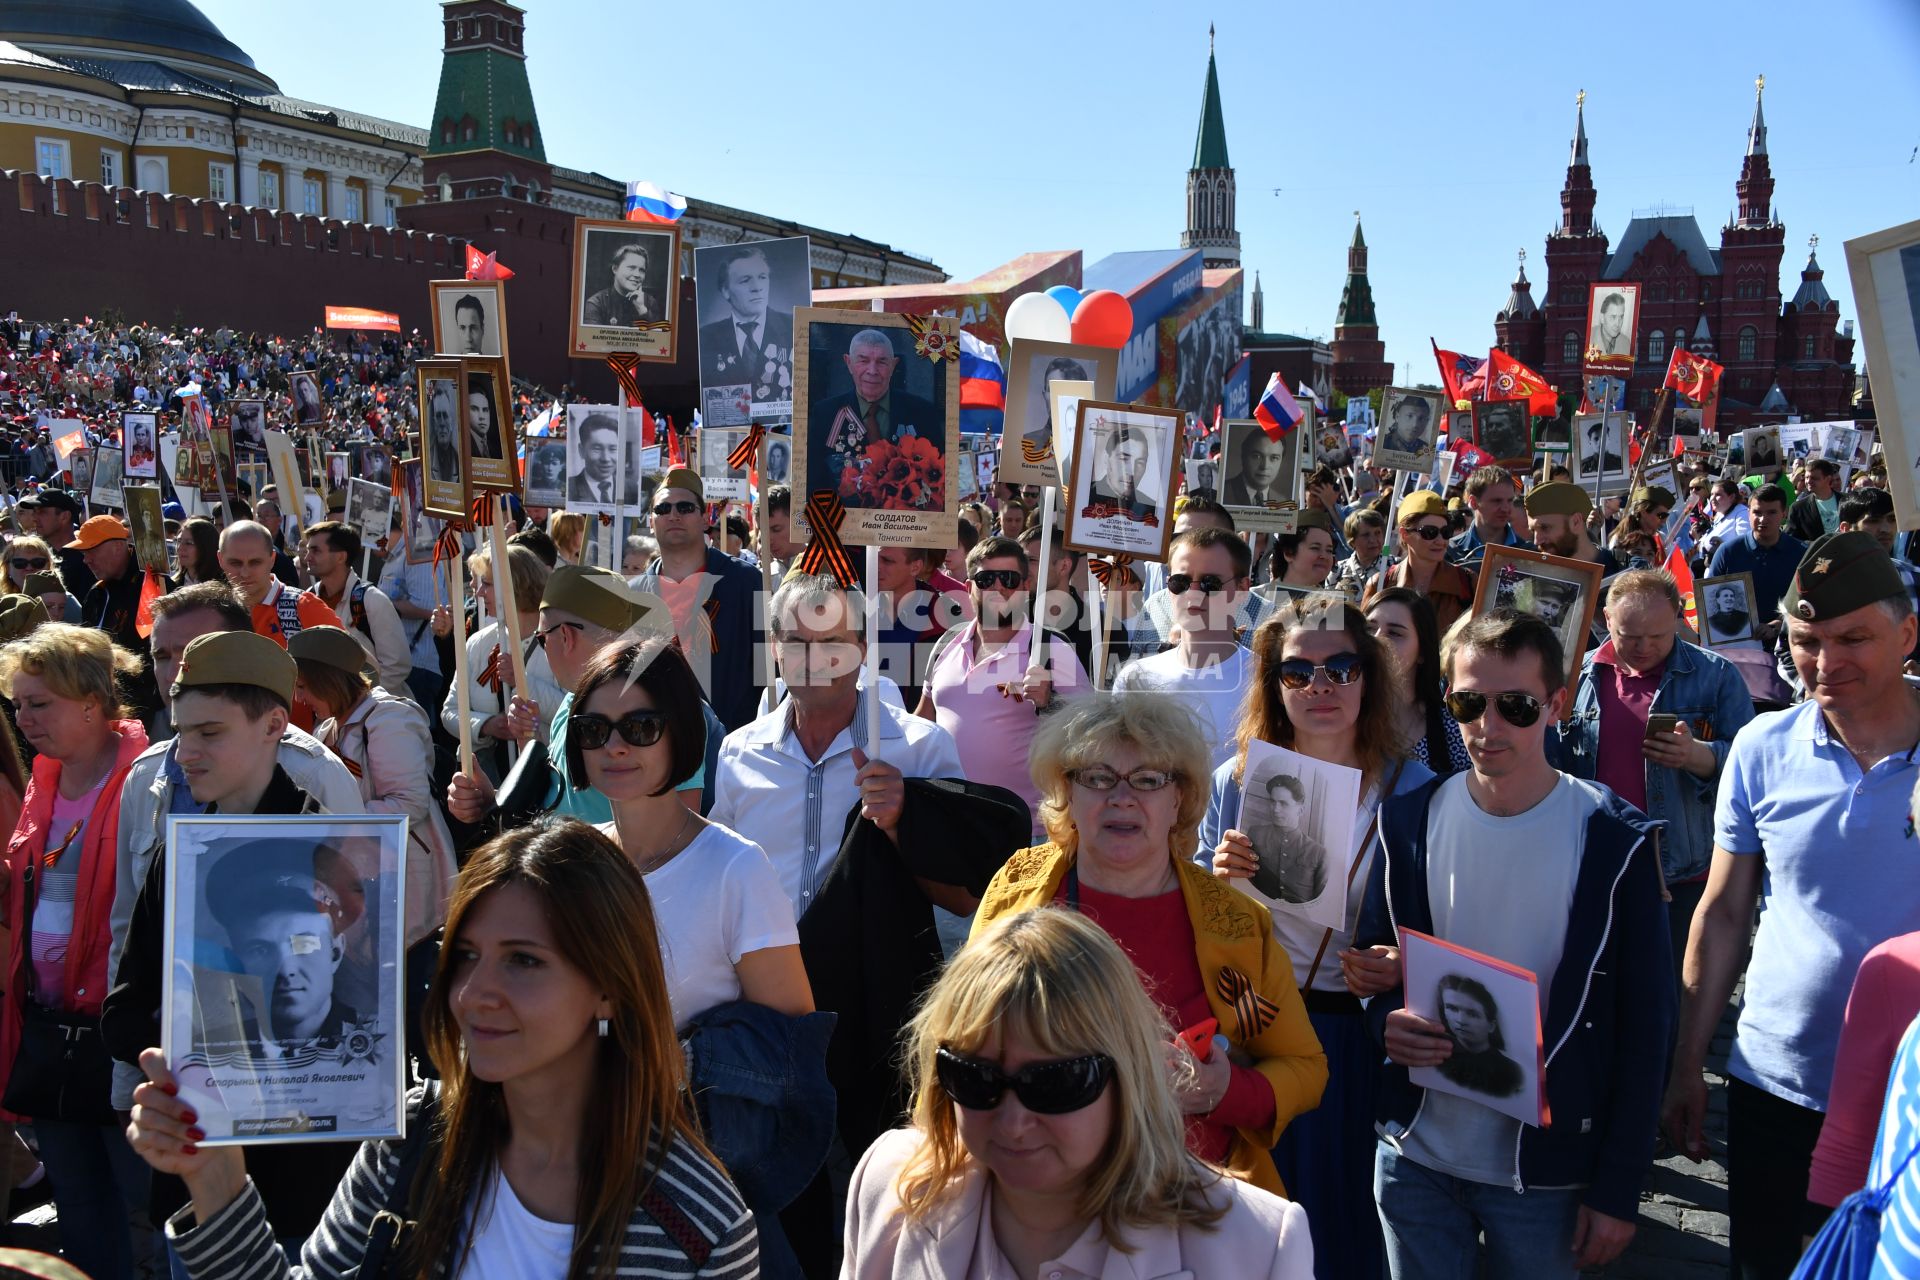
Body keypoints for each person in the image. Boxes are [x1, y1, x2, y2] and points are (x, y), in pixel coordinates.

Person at [126, 819, 761, 1279]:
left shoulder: (696, 1221)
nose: (474, 993)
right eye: (464, 957)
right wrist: (215, 1182)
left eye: (523, 961)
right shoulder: (410, 1140)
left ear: (608, 991)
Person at [1356, 609, 1674, 1280]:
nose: (1487, 726)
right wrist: (1387, 1023)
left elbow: (1647, 1030)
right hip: (1415, 1151)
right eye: (1468, 702)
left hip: (1547, 1173)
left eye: (1517, 706)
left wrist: (1618, 1188)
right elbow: (1378, 966)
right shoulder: (1407, 820)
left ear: (1557, 706)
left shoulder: (1613, 840)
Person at [1663, 533, 1920, 1280]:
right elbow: (1723, 912)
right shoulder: (1760, 746)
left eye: (1852, 639)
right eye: (1807, 640)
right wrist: (1689, 1064)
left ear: (1908, 634)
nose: (1824, 662)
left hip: (1908, 1095)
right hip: (1777, 1083)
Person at [973, 693, 1327, 1193]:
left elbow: (1304, 1068)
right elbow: (964, 1037)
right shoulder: (1016, 889)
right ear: (1067, 794)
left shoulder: (1239, 926)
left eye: (1147, 780)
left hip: (1191, 1195)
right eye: (1097, 777)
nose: (1122, 798)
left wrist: (1221, 1090)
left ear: (1178, 799)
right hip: (1039, 1194)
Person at [843, 909, 1314, 1279]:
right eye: (975, 1078)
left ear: (1131, 1076)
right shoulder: (890, 1185)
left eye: (1054, 1084)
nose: (1012, 1122)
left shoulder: (1256, 1247)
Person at [102, 629, 367, 1250]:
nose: (184, 752)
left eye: (209, 733)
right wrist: (187, 1039)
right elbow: (124, 1007)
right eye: (179, 731)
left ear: (275, 724)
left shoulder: (334, 852)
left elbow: (368, 1013)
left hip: (309, 1179)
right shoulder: (181, 852)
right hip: (201, 1160)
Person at [1204, 592, 1434, 1278]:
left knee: (1343, 1228)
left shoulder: (1416, 789)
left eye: (1341, 667)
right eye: (1298, 672)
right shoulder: (1237, 781)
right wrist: (1213, 875)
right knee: (1257, 1223)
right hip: (1254, 1027)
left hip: (1354, 1039)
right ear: (1274, 685)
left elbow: (1450, 926)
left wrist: (1404, 967)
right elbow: (1192, 908)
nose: (1321, 686)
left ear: (1371, 674)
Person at [0, 623, 154, 1280]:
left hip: (119, 1026)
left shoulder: (150, 777)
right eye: (18, 703)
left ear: (92, 701)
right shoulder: (43, 778)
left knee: (145, 1200)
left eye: (40, 703)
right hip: (46, 1018)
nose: (23, 718)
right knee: (79, 1200)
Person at [573, 636, 810, 1026]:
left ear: (680, 732)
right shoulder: (575, 861)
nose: (614, 745)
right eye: (594, 729)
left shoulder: (736, 869)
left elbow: (789, 1043)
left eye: (640, 727)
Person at [710, 572, 963, 919]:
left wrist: (905, 825)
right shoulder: (739, 752)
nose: (814, 660)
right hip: (761, 969)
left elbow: (963, 899)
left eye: (831, 642)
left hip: (875, 971)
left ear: (861, 649)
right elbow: (721, 874)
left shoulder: (921, 748)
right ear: (774, 646)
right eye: (797, 642)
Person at [1552, 568, 1755, 991]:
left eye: (1658, 636)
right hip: (1593, 865)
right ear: (1606, 620)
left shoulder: (1715, 675)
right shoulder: (1576, 677)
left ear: (1678, 619)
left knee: (1670, 997)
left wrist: (1701, 757)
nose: (1643, 648)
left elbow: (1752, 764)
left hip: (1680, 871)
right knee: (1598, 993)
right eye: (1629, 635)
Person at [446, 565, 679, 830]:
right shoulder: (571, 703)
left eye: (542, 638)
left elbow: (673, 840)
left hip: (609, 870)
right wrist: (493, 801)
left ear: (566, 636)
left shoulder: (662, 709)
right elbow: (557, 805)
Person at [289, 626, 457, 945]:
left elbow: (409, 804)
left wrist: (330, 821)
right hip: (364, 881)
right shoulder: (328, 728)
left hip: (404, 882)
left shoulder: (388, 718)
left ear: (329, 680)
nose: (298, 698)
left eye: (304, 686)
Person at [918, 536, 1086, 842]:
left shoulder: (1050, 649)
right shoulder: (945, 645)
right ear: (969, 588)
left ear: (1024, 587)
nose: (997, 588)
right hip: (949, 821)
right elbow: (922, 724)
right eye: (985, 579)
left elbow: (1091, 735)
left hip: (1027, 831)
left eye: (1008, 579)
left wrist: (1050, 702)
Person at [630, 468, 765, 732]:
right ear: (651, 521)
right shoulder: (635, 595)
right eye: (663, 509)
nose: (673, 515)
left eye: (685, 507)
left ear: (705, 519)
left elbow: (769, 669)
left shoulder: (746, 581)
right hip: (658, 745)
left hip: (732, 743)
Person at [199, 839, 359, 1053]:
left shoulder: (381, 1043)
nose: (286, 969)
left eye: (303, 944)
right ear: (234, 966)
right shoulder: (209, 1051)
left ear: (335, 953)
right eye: (259, 950)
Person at [1113, 528, 1254, 771]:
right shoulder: (1135, 680)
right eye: (1181, 582)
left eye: (1211, 583)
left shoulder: (1266, 679)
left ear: (1242, 589)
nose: (1193, 593)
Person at [441, 543, 564, 784]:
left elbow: (570, 711)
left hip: (544, 774)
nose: (478, 593)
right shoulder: (479, 642)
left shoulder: (561, 641)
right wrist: (486, 725)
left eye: (487, 584)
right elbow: (450, 711)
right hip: (487, 777)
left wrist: (523, 682)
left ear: (514, 585)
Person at [1367, 587, 1471, 776]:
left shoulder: (1455, 732)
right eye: (1369, 629)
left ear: (1422, 651)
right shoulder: (1340, 713)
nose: (1377, 639)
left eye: (1395, 633)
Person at [300, 520, 411, 697]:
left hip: (375, 715)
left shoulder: (372, 600)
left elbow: (397, 667)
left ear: (340, 557)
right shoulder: (308, 599)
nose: (307, 557)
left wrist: (358, 702)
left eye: (315, 551)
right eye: (308, 550)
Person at [816, 329, 941, 476]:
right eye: (863, 360)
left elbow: (939, 473)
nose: (872, 370)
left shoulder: (923, 413)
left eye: (882, 361)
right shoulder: (824, 415)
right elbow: (814, 479)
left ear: (893, 365)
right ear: (848, 363)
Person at [1361, 491, 1476, 634]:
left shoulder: (1467, 583)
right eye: (1429, 532)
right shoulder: (1380, 584)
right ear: (1405, 534)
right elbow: (1365, 643)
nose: (1440, 540)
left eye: (1446, 532)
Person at [1707, 483, 1806, 647]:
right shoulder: (1728, 552)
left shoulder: (1801, 553)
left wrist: (1781, 623)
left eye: (1771, 512)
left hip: (1787, 649)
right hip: (1736, 649)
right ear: (1748, 513)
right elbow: (1709, 602)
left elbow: (1808, 603)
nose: (1763, 519)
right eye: (1757, 512)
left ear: (1784, 513)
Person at [699, 243, 793, 387]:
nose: (757, 288)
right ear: (725, 290)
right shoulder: (705, 338)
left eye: (762, 277)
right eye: (745, 280)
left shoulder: (795, 327)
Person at [1433, 976, 1524, 1097]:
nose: (1460, 1020)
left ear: (1491, 1025)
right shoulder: (1436, 1054)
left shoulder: (1510, 1072)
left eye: (1472, 1014)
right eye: (1452, 1009)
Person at [1447, 465, 1530, 570]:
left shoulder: (1527, 552)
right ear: (1473, 502)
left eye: (1510, 500)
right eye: (1497, 501)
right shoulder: (1451, 551)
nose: (1505, 508)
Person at [1524, 481, 1616, 575]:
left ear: (1576, 522)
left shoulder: (1620, 569)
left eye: (1545, 528)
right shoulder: (1534, 579)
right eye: (1533, 530)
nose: (1537, 541)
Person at [583, 240, 664, 326]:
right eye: (631, 268)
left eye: (642, 270)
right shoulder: (596, 303)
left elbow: (657, 338)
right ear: (615, 269)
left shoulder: (650, 303)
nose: (637, 275)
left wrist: (642, 310)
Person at [1086, 426, 1159, 522]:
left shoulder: (1152, 509)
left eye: (1140, 463)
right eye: (1124, 459)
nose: (1132, 471)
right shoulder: (1085, 496)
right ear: (1106, 459)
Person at [567, 410, 622, 504]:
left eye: (613, 449)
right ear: (581, 450)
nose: (606, 458)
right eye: (597, 449)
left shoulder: (631, 489)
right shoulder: (568, 489)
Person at [1225, 430, 1290, 507]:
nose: (1265, 466)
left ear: (1281, 462)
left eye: (1274, 458)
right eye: (1257, 456)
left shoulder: (1282, 501)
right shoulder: (1223, 493)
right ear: (1243, 457)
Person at [1331, 508, 1388, 596]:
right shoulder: (1337, 571)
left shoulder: (1395, 567)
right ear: (1352, 541)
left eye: (1377, 533)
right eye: (1366, 535)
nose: (1373, 540)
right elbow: (1328, 607)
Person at [1788, 457, 1843, 541]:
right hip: (1815, 553)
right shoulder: (1798, 508)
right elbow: (1792, 540)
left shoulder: (1846, 500)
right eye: (1806, 477)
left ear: (1828, 479)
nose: (1809, 481)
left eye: (1814, 478)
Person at [172, 516, 225, 586]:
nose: (180, 548)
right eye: (179, 541)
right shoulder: (172, 584)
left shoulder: (222, 586)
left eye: (189, 543)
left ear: (206, 547)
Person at [465, 372, 503, 464]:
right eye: (474, 409)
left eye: (485, 410)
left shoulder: (496, 449)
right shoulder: (462, 447)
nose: (482, 417)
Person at [1590, 291, 1630, 356]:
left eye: (1621, 317)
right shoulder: (1589, 337)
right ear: (1602, 318)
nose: (1617, 324)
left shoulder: (1626, 343)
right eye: (1613, 317)